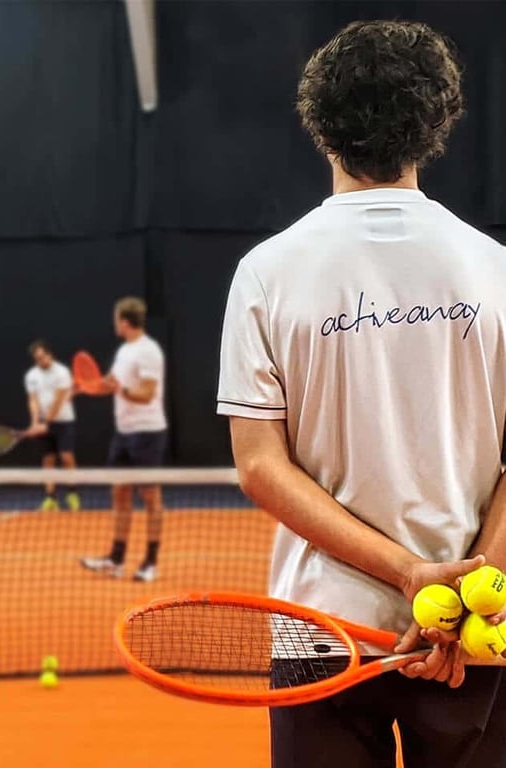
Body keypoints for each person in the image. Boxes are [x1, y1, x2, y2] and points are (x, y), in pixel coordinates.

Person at [217, 20, 506, 767]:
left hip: (319, 628)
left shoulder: (265, 273)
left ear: (319, 128)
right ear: (437, 124)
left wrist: (416, 580)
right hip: (481, 633)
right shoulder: (497, 270)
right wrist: (463, 595)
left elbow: (260, 468)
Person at [80, 297, 167, 582]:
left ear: (124, 322)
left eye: (117, 319)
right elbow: (111, 384)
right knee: (119, 495)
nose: (115, 323)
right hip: (123, 432)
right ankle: (116, 560)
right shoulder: (124, 352)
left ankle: (150, 563)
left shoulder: (149, 351)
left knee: (151, 498)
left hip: (147, 432)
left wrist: (122, 390)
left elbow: (146, 394)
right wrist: (86, 387)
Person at [24, 340, 80, 511]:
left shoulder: (62, 372)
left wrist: (46, 423)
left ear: (50, 354)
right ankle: (50, 499)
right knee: (48, 459)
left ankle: (72, 494)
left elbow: (58, 400)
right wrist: (35, 422)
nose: (41, 361)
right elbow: (33, 400)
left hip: (63, 421)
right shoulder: (31, 375)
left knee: (66, 457)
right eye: (37, 359)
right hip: (42, 422)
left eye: (43, 357)